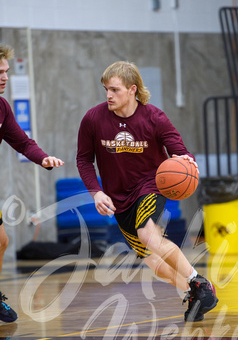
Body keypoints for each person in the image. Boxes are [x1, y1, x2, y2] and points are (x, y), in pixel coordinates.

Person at [77, 61, 218, 322]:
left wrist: (187, 161)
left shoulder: (154, 117)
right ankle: (194, 293)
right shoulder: (93, 119)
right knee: (154, 263)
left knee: (148, 235)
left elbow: (179, 150)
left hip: (151, 186)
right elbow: (84, 160)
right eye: (106, 89)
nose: (108, 95)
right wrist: (96, 192)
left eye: (115, 90)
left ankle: (200, 283)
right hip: (118, 198)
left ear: (132, 90)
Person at [0, 44, 64, 323]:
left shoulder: (1, 107)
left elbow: (22, 141)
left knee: (1, 241)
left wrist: (43, 158)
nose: (4, 77)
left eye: (6, 72)